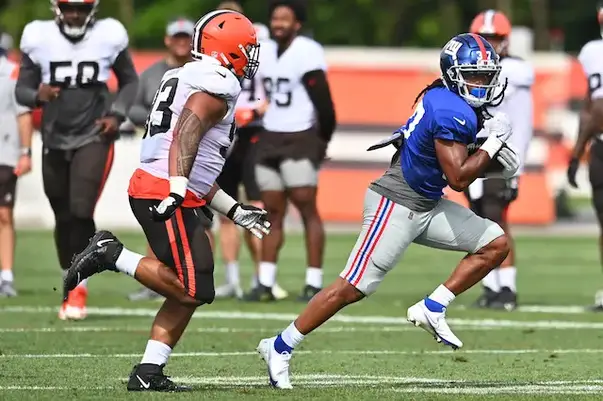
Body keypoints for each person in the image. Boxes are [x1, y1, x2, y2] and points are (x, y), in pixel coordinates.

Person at [256, 33, 517, 389]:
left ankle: (433, 307)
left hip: (425, 202)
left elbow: (448, 163)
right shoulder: (450, 109)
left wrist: (487, 156)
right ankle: (280, 345)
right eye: (474, 75)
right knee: (351, 287)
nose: (482, 83)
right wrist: (492, 146)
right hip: (396, 203)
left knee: (495, 243)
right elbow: (458, 177)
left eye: (486, 76)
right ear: (453, 73)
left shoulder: (447, 98)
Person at [63, 10, 270, 391]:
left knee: (193, 286)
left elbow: (199, 169)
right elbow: (186, 136)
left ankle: (148, 371)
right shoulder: (214, 86)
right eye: (246, 49)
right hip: (163, 191)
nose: (252, 57)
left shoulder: (187, 76)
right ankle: (111, 254)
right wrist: (176, 188)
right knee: (196, 288)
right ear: (226, 51)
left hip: (167, 187)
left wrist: (234, 209)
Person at [15, 0, 138, 320]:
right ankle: (69, 279)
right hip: (54, 137)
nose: (74, 15)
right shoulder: (37, 36)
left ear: (92, 10)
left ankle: (78, 288)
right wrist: (38, 94)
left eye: (81, 9)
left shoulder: (108, 34)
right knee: (63, 213)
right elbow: (22, 92)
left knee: (81, 210)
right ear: (57, 8)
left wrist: (117, 114)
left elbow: (130, 81)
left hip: (94, 133)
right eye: (69, 8)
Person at [244, 0, 336, 302]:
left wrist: (321, 140)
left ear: (298, 23)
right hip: (270, 136)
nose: (278, 23)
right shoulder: (266, 50)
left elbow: (323, 99)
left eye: (285, 18)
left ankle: (313, 281)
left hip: (300, 136)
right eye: (275, 17)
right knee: (270, 212)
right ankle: (266, 282)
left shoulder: (307, 50)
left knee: (306, 206)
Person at [213, 0, 288, 300]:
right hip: (222, 132)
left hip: (254, 133)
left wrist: (254, 112)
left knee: (255, 205)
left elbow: (276, 92)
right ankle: (233, 279)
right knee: (225, 210)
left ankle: (263, 277)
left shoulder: (261, 46)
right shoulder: (211, 52)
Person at [126, 17, 201, 302]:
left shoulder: (198, 72)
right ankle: (156, 281)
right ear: (167, 39)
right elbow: (133, 109)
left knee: (199, 223)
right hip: (161, 159)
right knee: (158, 218)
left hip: (191, 157)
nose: (182, 41)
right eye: (177, 36)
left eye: (187, 36)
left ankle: (197, 276)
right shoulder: (154, 73)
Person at [467, 10, 534, 310]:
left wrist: (515, 164)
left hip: (502, 157)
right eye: (485, 38)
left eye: (494, 39)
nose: (490, 45)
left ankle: (507, 286)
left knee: (497, 220)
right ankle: (491, 286)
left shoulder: (514, 72)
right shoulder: (474, 68)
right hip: (478, 154)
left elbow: (520, 122)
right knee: (480, 222)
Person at [568, 3, 603, 311]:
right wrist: (577, 153)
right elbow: (591, 108)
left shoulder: (593, 50)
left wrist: (577, 153)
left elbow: (596, 109)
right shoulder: (593, 51)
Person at [0, 43, 34, 297]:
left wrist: (25, 152)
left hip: (5, 153)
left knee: (4, 214)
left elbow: (24, 114)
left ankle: (6, 276)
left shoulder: (12, 72)